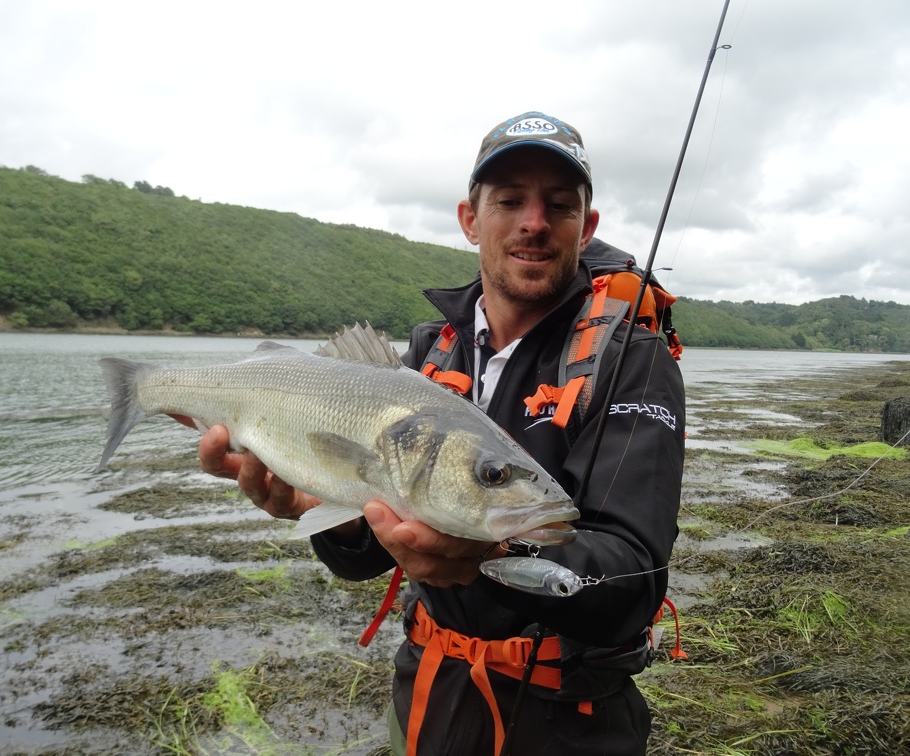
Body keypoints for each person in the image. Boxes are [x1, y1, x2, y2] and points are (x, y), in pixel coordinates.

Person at [198, 111, 685, 755]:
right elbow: (371, 551)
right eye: (509, 201)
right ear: (469, 218)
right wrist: (330, 514)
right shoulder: (431, 352)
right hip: (428, 690)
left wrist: (492, 554)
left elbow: (632, 580)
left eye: (559, 206)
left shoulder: (633, 361)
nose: (533, 222)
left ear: (586, 226)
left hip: (571, 719)